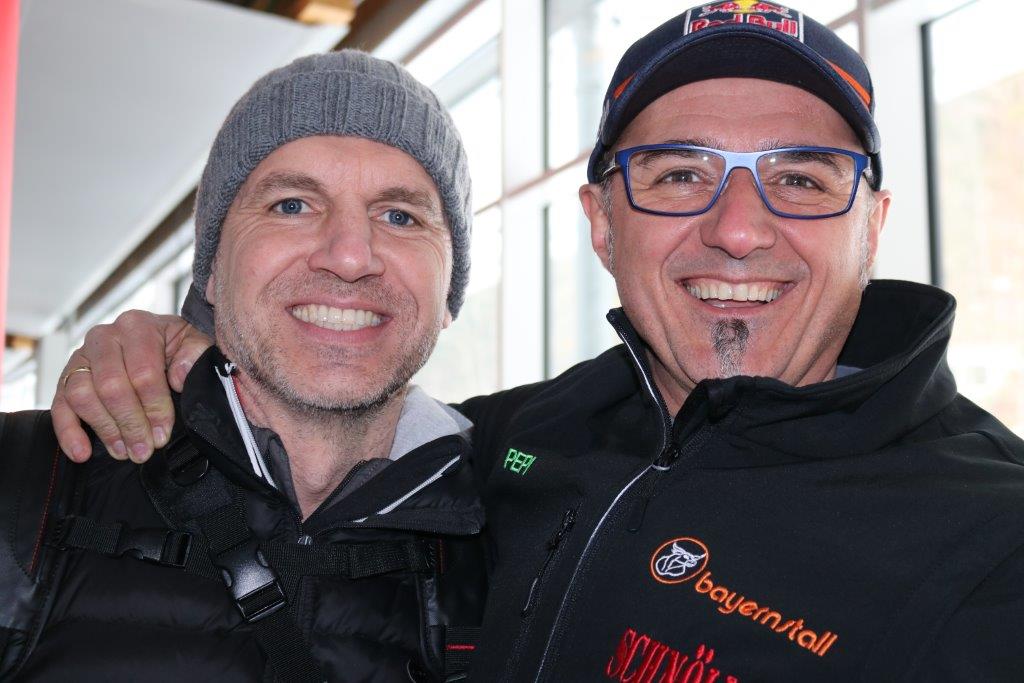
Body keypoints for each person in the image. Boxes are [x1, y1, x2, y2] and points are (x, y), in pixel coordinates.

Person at [48, 3, 1024, 681]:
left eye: (801, 179)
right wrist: (178, 344)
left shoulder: (992, 545)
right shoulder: (515, 443)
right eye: (679, 174)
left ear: (872, 222)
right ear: (601, 224)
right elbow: (324, 426)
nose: (738, 229)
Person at [0, 50, 486, 682]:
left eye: (400, 216)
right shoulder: (24, 483)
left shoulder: (519, 529)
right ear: (212, 271)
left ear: (448, 292)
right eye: (292, 205)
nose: (349, 257)